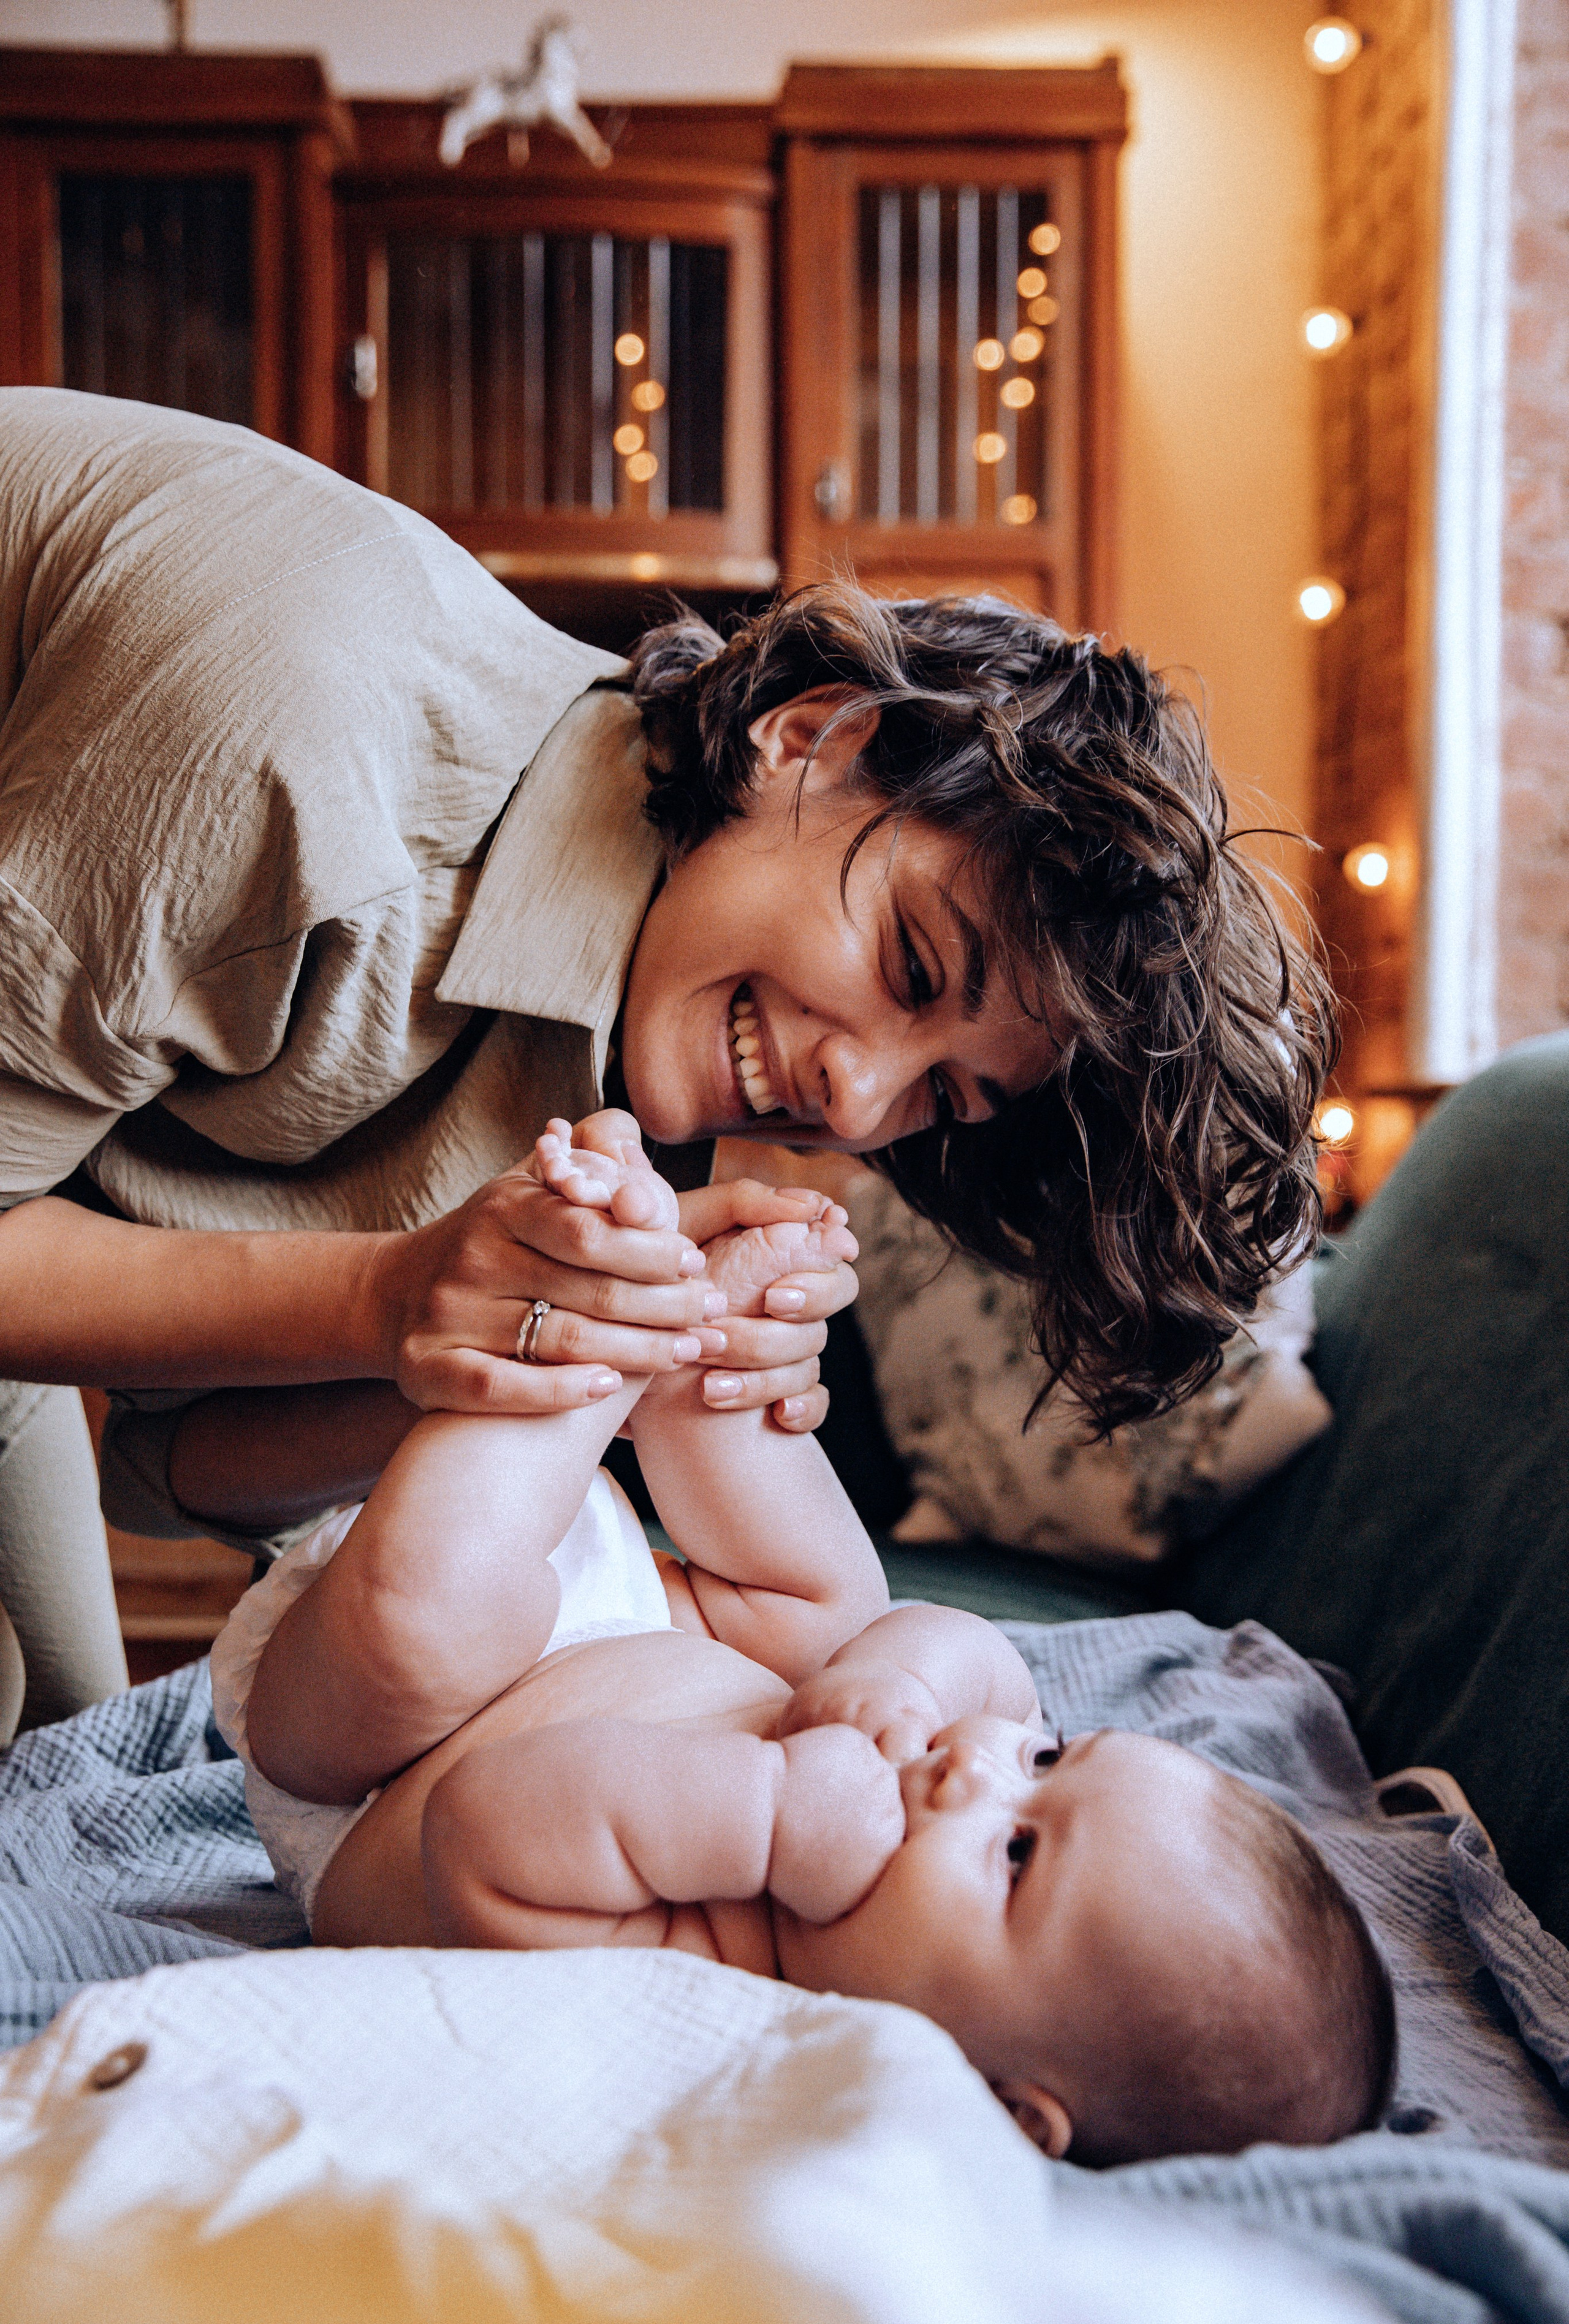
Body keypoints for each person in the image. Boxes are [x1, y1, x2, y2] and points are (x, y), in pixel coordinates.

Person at [0, 388, 1332, 1727]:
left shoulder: (629, 1071)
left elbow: (189, 1463)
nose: (856, 1100)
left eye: (942, 1093)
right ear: (810, 736)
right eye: (912, 968)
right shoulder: (302, 740)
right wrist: (379, 1296)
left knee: (58, 1748)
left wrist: (583, 1362)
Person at [207, 1118, 1393, 2168]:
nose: (978, 1769)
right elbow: (967, 1654)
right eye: (1048, 1763)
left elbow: (498, 1815)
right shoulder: (936, 1772)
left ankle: (590, 1345)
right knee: (836, 1617)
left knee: (428, 1630)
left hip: (369, 1750)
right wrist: (893, 1672)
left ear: (989, 2103)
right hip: (626, 1614)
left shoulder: (708, 2027)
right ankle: (703, 1372)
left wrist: (775, 1811)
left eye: (1018, 1854)